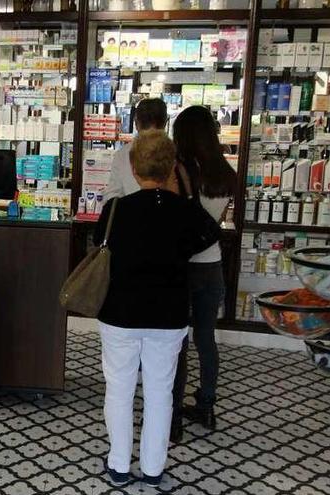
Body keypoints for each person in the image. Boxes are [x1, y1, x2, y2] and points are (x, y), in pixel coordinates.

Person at [94, 130, 220, 488]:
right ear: (171, 169)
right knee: (160, 393)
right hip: (168, 314)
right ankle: (153, 468)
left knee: (118, 390)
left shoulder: (116, 210)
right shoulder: (184, 212)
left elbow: (98, 244)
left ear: (134, 168)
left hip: (120, 313)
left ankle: (118, 464)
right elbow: (208, 235)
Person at [171, 105, 238, 433]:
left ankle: (173, 407)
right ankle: (206, 405)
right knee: (205, 338)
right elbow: (218, 220)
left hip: (184, 266)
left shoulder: (181, 171)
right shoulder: (226, 172)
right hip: (212, 266)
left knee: (178, 340)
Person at [103, 98, 187, 203]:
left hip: (131, 216)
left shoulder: (123, 154)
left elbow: (112, 196)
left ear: (136, 123)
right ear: (165, 122)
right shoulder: (175, 152)